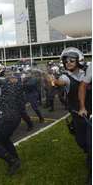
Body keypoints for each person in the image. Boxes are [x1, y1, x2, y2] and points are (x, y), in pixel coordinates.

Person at [52, 47, 91, 184]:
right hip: (78, 114)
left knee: (90, 141)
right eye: (66, 61)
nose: (68, 63)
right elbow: (60, 82)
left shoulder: (87, 72)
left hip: (90, 112)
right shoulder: (65, 77)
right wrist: (52, 80)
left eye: (71, 60)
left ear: (78, 61)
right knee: (81, 141)